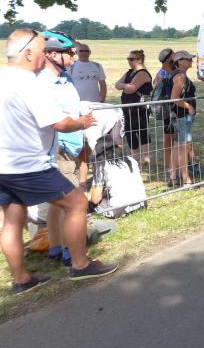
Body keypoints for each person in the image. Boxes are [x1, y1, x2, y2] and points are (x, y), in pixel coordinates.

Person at [1, 29, 118, 294]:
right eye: (42, 52)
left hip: (4, 164)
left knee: (12, 220)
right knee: (77, 202)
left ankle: (21, 279)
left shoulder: (3, 77)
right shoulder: (29, 83)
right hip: (29, 164)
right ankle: (80, 265)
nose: (45, 57)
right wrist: (82, 122)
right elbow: (60, 123)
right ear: (27, 53)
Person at [36, 31, 82, 267]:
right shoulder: (43, 82)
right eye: (69, 52)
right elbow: (52, 118)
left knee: (58, 202)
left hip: (71, 144)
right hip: (59, 146)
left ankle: (56, 246)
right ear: (53, 54)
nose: (74, 56)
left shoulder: (65, 78)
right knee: (71, 202)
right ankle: (70, 251)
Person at [69, 42, 107, 188]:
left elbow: (102, 84)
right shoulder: (72, 66)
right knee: (78, 142)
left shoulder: (97, 66)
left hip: (94, 108)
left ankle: (93, 175)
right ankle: (79, 174)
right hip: (77, 108)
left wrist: (101, 100)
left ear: (90, 52)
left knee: (93, 141)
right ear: (77, 53)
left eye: (86, 51)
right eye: (81, 51)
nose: (84, 53)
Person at [87, 135, 147, 218]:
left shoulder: (102, 165)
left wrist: (88, 196)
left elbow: (95, 199)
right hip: (142, 203)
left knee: (90, 204)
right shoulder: (131, 160)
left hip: (120, 209)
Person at [114, 49, 152, 164]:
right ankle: (135, 158)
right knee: (129, 132)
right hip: (128, 108)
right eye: (128, 59)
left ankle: (146, 158)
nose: (129, 61)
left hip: (139, 109)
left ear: (139, 60)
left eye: (131, 59)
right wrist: (126, 86)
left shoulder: (142, 73)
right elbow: (117, 85)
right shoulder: (130, 72)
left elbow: (131, 89)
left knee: (142, 132)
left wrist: (124, 86)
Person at [168, 51, 196, 187]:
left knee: (177, 146)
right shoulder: (180, 76)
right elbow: (174, 98)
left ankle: (173, 178)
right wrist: (188, 106)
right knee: (183, 148)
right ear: (179, 61)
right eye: (187, 58)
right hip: (182, 116)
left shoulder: (178, 74)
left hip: (178, 115)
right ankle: (186, 181)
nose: (191, 60)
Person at [153, 48, 177, 183]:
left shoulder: (175, 70)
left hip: (178, 110)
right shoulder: (161, 74)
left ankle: (189, 164)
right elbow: (156, 90)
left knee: (183, 140)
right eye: (173, 56)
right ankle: (170, 168)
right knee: (169, 140)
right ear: (168, 59)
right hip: (169, 112)